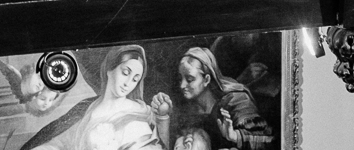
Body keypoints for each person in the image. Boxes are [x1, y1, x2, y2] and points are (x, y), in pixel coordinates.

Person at [28, 46, 162, 150]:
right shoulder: (88, 107)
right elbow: (62, 142)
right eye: (125, 73)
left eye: (135, 79)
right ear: (109, 69)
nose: (128, 83)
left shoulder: (137, 115)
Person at [148, 48, 274, 150]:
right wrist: (162, 115)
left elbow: (269, 142)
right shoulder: (188, 110)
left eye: (190, 79)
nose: (182, 85)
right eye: (180, 79)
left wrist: (235, 136)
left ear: (207, 80)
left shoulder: (236, 101)